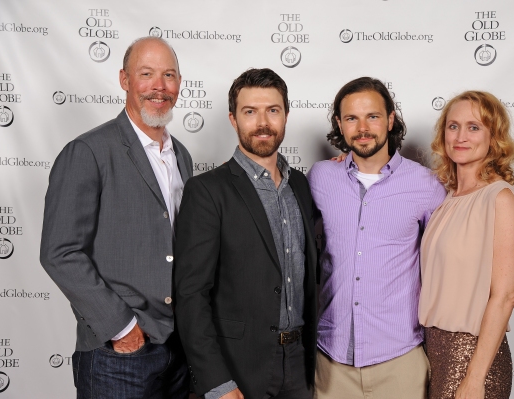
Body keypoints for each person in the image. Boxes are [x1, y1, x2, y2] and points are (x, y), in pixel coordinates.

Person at [39, 36, 192, 398]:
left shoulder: (181, 155)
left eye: (169, 75)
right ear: (125, 80)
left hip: (177, 352)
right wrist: (121, 327)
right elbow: (60, 252)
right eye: (147, 74)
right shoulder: (87, 151)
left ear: (179, 84)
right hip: (117, 354)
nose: (159, 86)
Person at [174, 68, 317, 399]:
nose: (262, 122)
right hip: (237, 367)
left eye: (273, 110)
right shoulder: (207, 191)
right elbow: (191, 296)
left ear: (286, 115)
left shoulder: (301, 184)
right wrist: (216, 382)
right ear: (233, 119)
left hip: (299, 364)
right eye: (250, 112)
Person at [307, 77, 446, 399]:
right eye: (352, 118)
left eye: (372, 116)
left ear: (391, 119)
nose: (363, 128)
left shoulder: (426, 186)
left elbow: (448, 260)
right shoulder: (320, 177)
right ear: (340, 125)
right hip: (331, 361)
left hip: (400, 360)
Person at [418, 91, 514, 399]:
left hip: (472, 356)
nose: (461, 136)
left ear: (494, 137)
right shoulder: (446, 199)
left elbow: (505, 296)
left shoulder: (499, 198)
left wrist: (475, 378)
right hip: (432, 351)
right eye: (453, 126)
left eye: (474, 127)